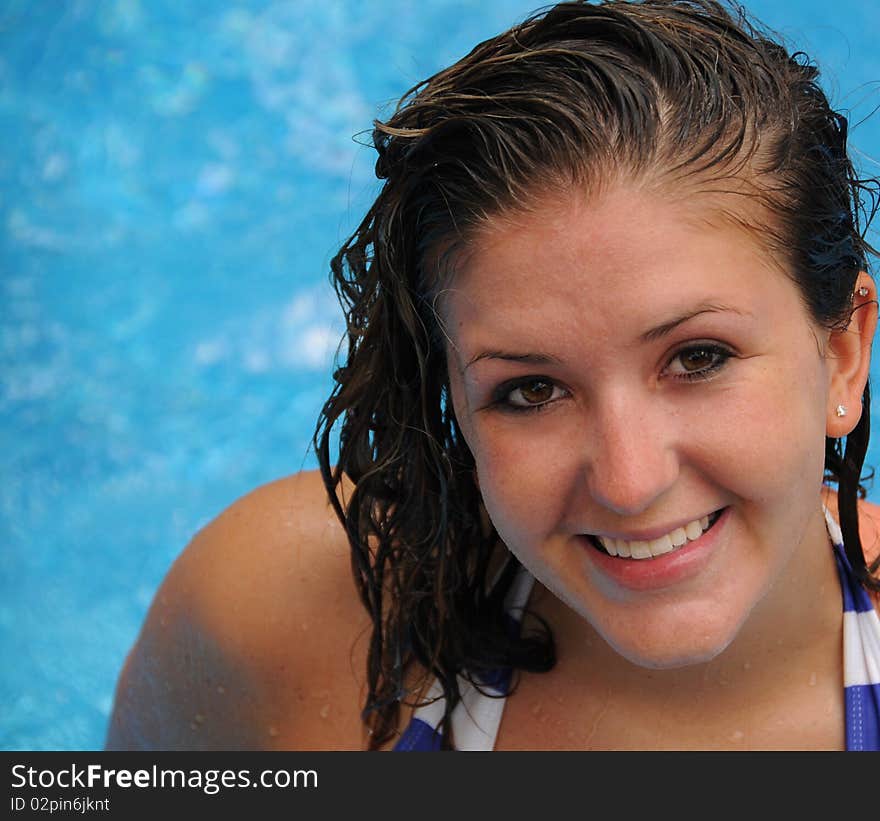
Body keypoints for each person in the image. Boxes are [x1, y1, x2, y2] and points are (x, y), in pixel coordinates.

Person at [105, 0, 880, 751]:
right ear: (456, 408)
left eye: (697, 357)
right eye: (530, 390)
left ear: (844, 351)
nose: (629, 480)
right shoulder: (280, 617)